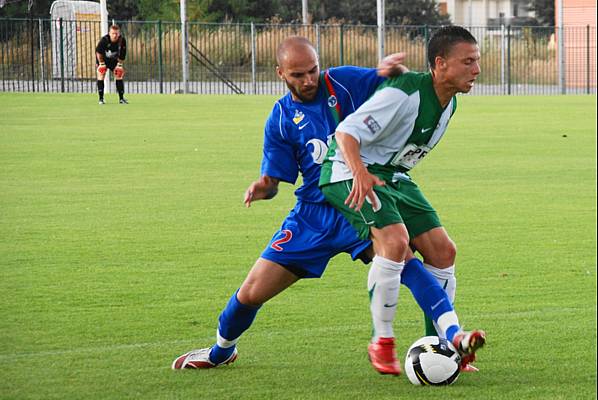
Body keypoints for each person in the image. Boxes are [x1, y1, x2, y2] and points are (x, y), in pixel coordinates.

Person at [172, 36, 478, 375]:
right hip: (311, 217)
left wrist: (392, 69)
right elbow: (275, 182)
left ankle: (445, 344)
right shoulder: (281, 117)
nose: (308, 80)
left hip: (357, 198)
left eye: (313, 71)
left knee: (405, 259)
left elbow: (395, 84)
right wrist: (263, 187)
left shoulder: (343, 82)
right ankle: (220, 351)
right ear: (281, 74)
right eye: (298, 75)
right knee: (251, 293)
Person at [319, 26, 486, 373]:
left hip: (392, 175)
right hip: (348, 171)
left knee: (443, 250)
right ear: (440, 64)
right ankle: (382, 342)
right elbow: (346, 132)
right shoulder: (403, 92)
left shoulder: (449, 103)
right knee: (394, 242)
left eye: (477, 61)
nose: (477, 69)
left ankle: (442, 346)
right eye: (468, 62)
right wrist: (361, 174)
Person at [95, 24, 128, 105]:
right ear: (109, 33)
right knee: (101, 74)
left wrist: (119, 65)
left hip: (114, 60)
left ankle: (121, 98)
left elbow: (123, 54)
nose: (115, 35)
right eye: (113, 33)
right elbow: (98, 53)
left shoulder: (122, 40)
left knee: (119, 75)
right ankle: (101, 99)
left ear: (119, 33)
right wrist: (101, 64)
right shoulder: (104, 40)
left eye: (116, 33)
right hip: (103, 60)